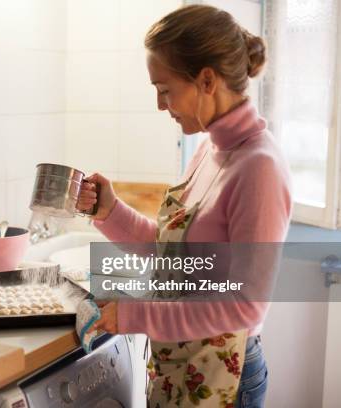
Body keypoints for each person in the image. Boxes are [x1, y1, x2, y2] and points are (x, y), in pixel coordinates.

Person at [77, 5, 291, 407]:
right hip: (183, 366)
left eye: (165, 89)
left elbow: (245, 304)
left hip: (228, 376)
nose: (161, 105)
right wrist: (110, 212)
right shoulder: (211, 148)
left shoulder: (258, 167)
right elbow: (174, 257)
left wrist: (133, 315)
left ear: (206, 79)